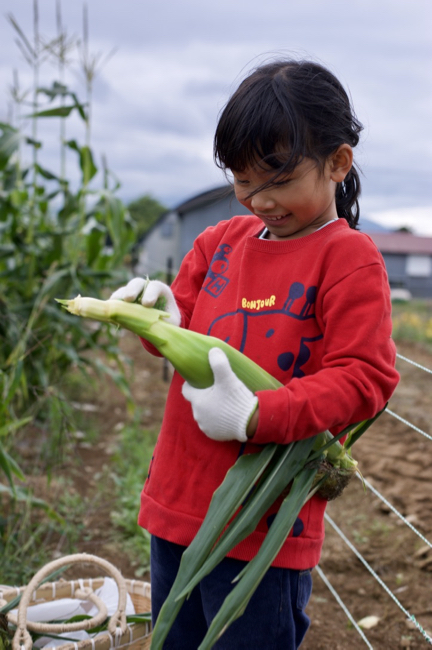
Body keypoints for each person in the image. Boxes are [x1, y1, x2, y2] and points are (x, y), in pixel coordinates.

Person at [111, 59, 400, 649]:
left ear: (338, 163)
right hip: (176, 506)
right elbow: (177, 330)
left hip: (259, 528)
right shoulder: (218, 243)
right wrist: (151, 315)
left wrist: (256, 417)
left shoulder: (349, 259)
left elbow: (365, 377)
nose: (258, 200)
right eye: (243, 181)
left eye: (279, 181)